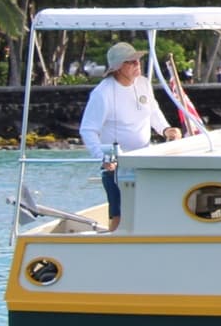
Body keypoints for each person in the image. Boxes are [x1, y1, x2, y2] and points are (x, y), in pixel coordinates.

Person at [77, 41, 181, 232]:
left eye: (138, 60)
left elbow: (153, 112)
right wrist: (103, 157)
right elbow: (88, 130)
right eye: (131, 61)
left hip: (144, 159)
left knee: (151, 206)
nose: (137, 64)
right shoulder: (102, 93)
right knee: (118, 214)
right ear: (118, 67)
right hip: (116, 164)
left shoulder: (143, 83)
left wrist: (166, 129)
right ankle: (115, 240)